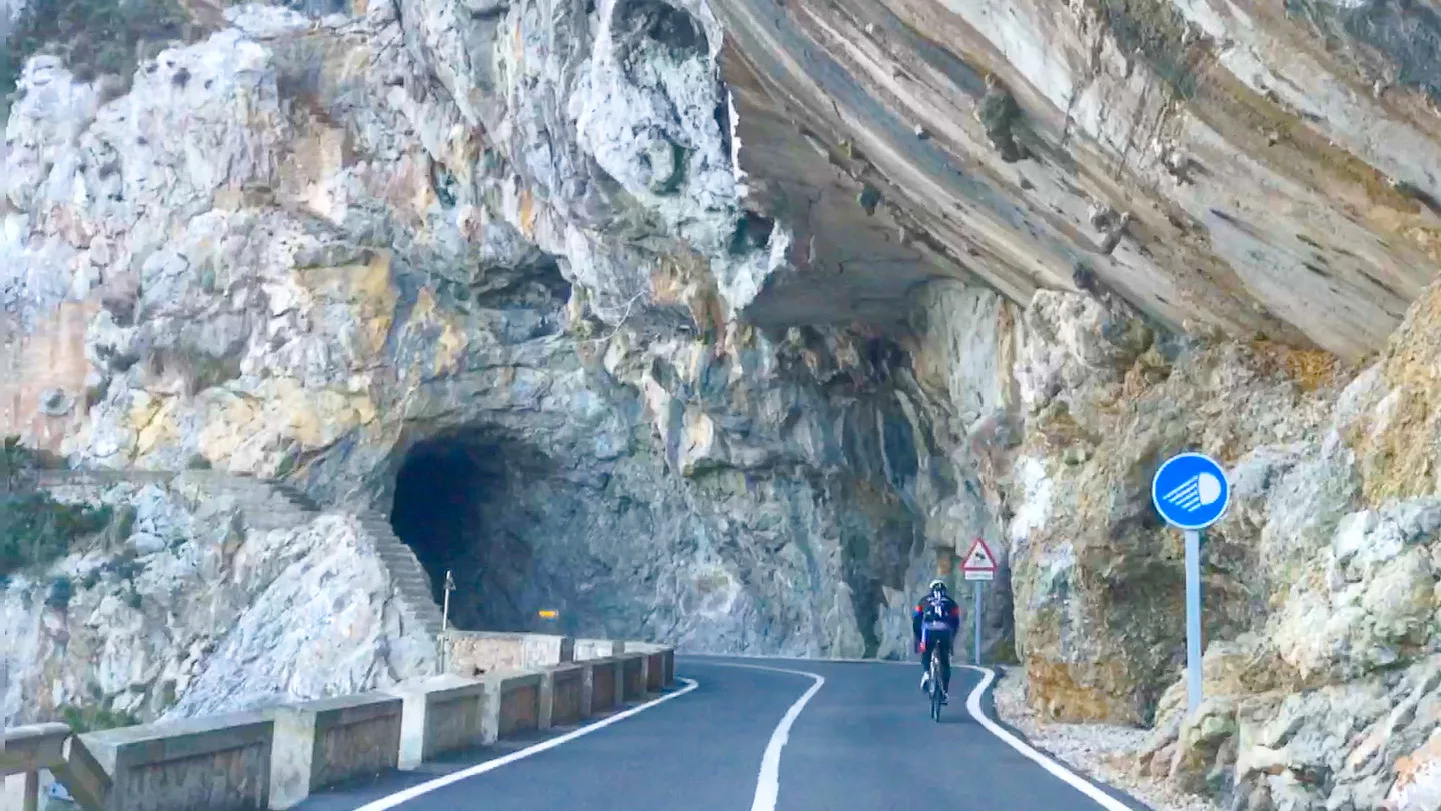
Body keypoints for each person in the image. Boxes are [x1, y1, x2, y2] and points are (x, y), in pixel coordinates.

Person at [913, 578, 960, 703]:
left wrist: (918, 639)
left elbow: (916, 620)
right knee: (945, 663)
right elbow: (955, 622)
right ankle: (944, 692)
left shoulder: (923, 601)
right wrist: (951, 639)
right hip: (945, 631)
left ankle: (927, 674)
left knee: (926, 653)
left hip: (928, 631)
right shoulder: (951, 603)